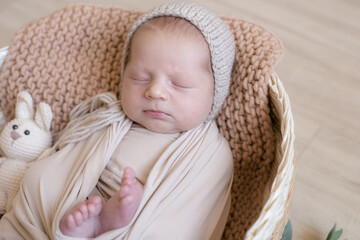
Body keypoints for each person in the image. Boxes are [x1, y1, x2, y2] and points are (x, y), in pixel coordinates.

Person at [0, 2, 235, 239]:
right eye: (140, 78)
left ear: (215, 92)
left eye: (179, 83)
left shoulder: (211, 153)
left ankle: (102, 226)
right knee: (37, 180)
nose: (155, 91)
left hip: (140, 222)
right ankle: (80, 226)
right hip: (69, 207)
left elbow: (191, 219)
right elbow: (66, 157)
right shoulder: (109, 118)